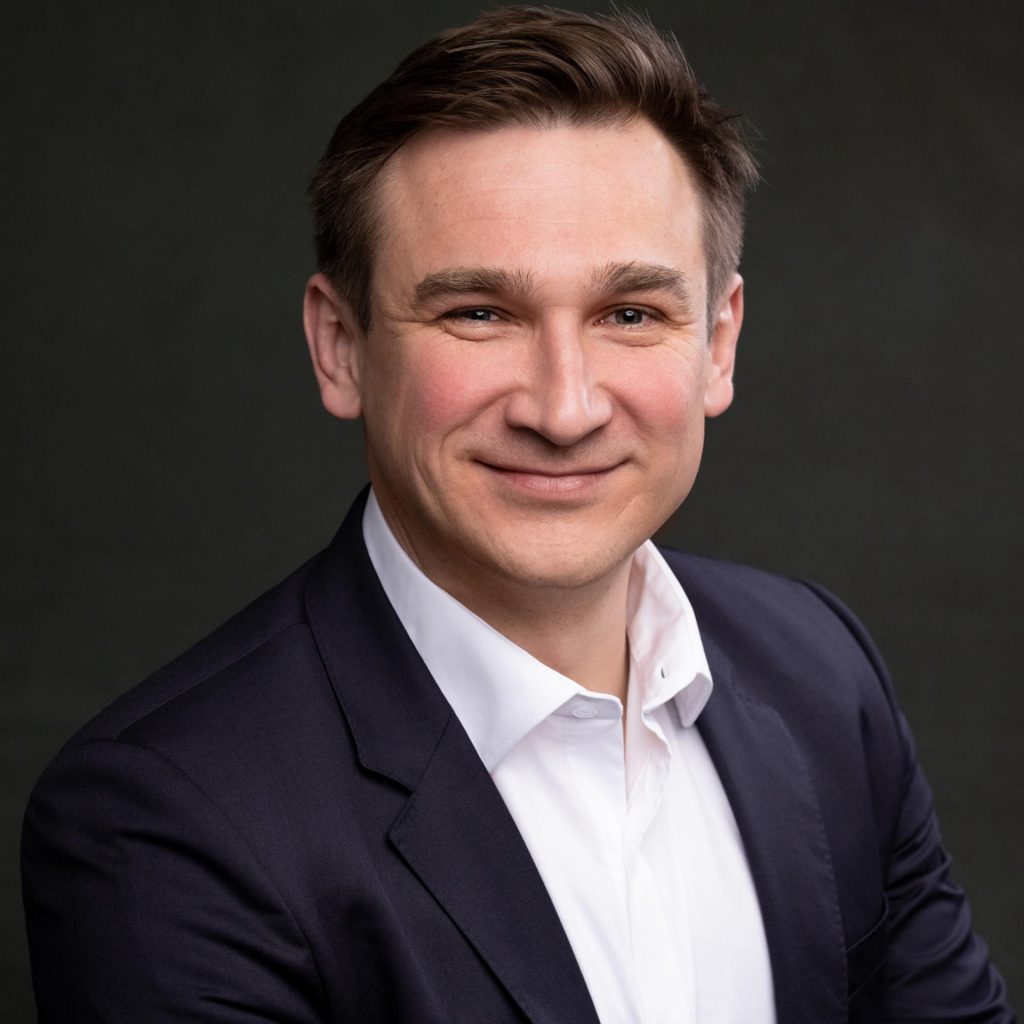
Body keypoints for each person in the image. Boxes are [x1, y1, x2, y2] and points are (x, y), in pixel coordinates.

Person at [21, 7, 1013, 1023]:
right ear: (341, 346)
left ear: (717, 345)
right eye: (478, 314)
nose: (564, 406)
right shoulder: (160, 820)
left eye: (631, 313)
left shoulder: (821, 673)